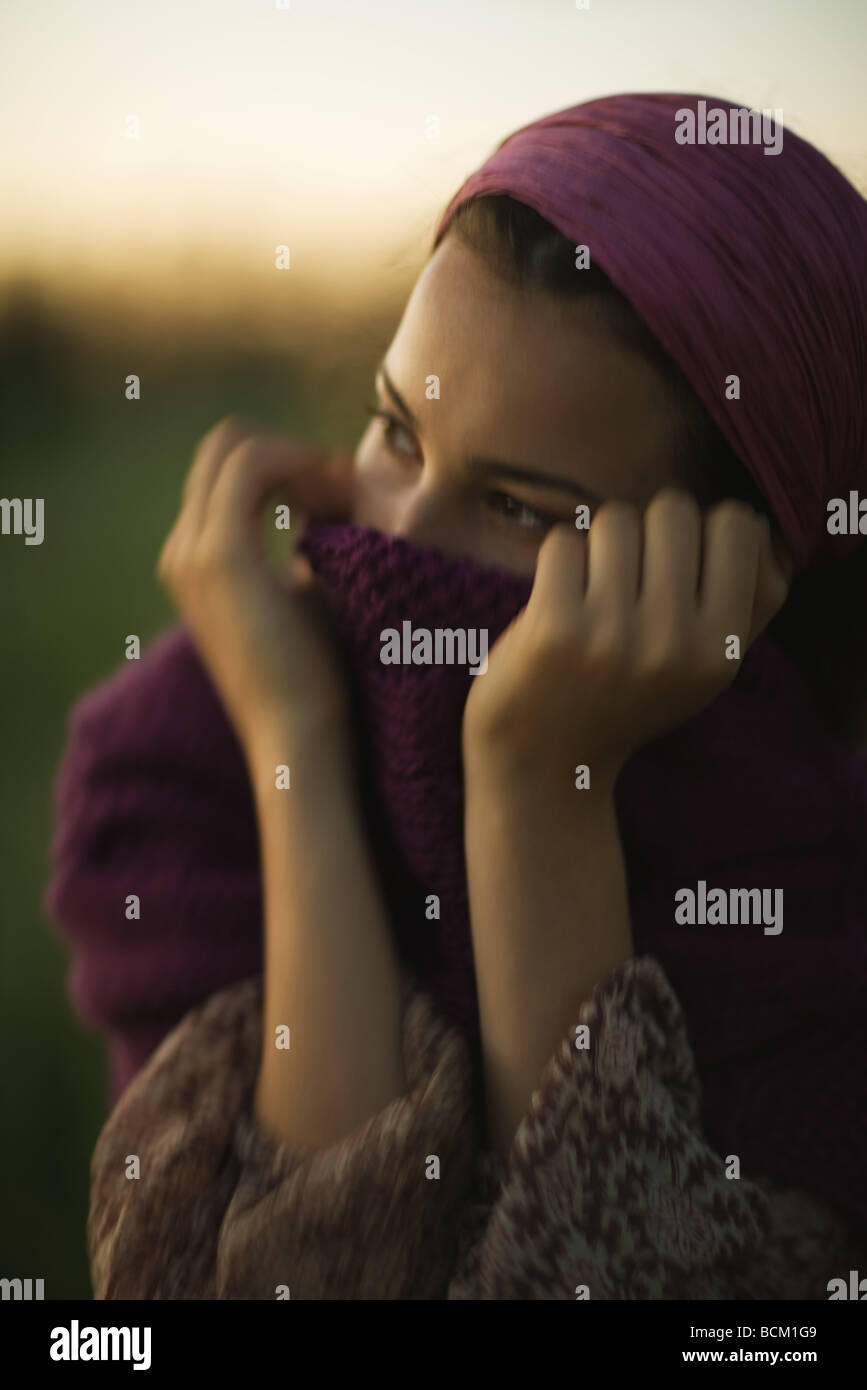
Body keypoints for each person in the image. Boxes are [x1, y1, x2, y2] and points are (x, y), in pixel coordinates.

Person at [45, 93, 867, 1299]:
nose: (396, 541)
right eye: (394, 431)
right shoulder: (182, 774)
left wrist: (541, 793)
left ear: (736, 575)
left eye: (519, 507)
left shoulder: (819, 888)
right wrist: (295, 751)